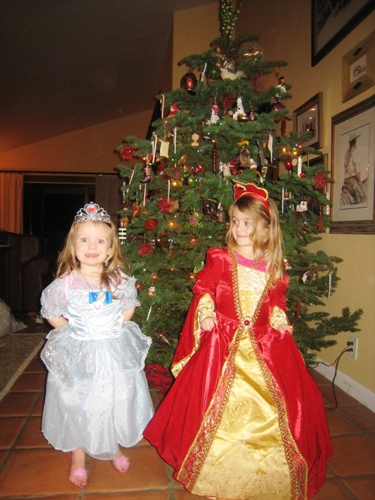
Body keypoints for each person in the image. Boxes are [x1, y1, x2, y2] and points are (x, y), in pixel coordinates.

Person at [144, 181, 332, 499]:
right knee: (213, 406)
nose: (239, 228)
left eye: (247, 223)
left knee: (274, 407)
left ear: (265, 227)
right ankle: (217, 469)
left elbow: (275, 306)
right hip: (223, 342)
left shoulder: (274, 269)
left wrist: (279, 321)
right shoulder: (221, 258)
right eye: (235, 222)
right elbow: (204, 289)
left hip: (264, 346)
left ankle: (262, 473)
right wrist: (205, 312)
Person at [40, 202, 154, 489]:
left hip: (111, 349)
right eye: (84, 239)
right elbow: (52, 313)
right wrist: (72, 332)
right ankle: (77, 454)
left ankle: (111, 445)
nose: (92, 246)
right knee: (76, 400)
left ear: (111, 247)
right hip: (79, 348)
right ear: (73, 245)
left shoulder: (118, 280)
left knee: (112, 397)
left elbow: (127, 308)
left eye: (100, 240)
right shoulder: (65, 283)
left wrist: (115, 326)